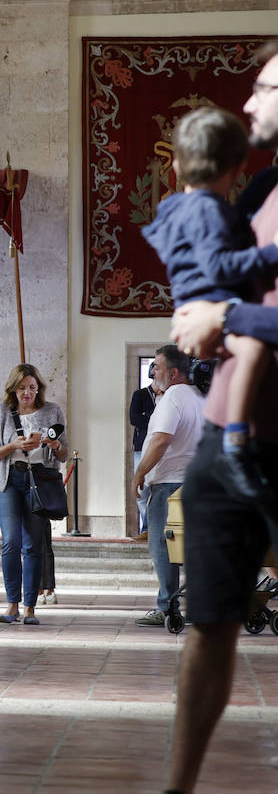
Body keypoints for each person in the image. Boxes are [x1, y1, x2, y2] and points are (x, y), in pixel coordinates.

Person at [145, 40, 278, 794]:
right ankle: (177, 791)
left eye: (268, 85)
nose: (252, 97)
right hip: (231, 442)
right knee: (210, 619)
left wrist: (225, 316)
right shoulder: (254, 187)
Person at [144, 105, 278, 501]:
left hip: (200, 298)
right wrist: (270, 254)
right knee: (250, 349)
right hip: (213, 299)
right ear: (236, 170)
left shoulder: (178, 206)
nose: (253, 105)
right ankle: (237, 436)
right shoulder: (210, 210)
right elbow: (220, 265)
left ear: (178, 167)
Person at [0, 363, 67, 626]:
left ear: (38, 388)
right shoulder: (1, 411)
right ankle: (12, 605)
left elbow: (64, 454)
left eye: (32, 387)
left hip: (39, 481)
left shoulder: (52, 410)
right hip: (9, 480)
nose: (27, 393)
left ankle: (30, 607)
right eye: (22, 388)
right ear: (13, 389)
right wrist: (14, 445)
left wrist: (54, 445)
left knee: (33, 544)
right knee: (11, 542)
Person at [131, 345, 205, 627]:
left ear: (173, 373)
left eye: (157, 367)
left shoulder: (173, 398)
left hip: (170, 484)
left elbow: (161, 440)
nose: (153, 372)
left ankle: (167, 606)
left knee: (164, 545)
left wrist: (140, 473)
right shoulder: (199, 396)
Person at [130, 364, 163, 540]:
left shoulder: (169, 396)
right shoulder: (141, 395)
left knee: (162, 488)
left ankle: (161, 527)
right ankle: (146, 528)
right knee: (142, 492)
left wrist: (148, 417)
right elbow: (134, 418)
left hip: (164, 448)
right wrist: (154, 418)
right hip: (142, 447)